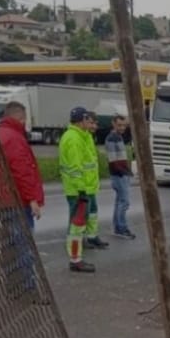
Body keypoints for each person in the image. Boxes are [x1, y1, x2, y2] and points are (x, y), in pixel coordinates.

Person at [0, 101, 45, 298]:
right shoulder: (15, 138)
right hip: (17, 200)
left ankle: (13, 285)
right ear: (21, 118)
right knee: (24, 244)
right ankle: (27, 287)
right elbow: (21, 171)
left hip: (2, 199)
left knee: (10, 244)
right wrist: (32, 198)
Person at [59, 107, 99, 273]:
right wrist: (82, 190)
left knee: (78, 226)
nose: (89, 123)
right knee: (76, 227)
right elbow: (76, 169)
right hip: (78, 190)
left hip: (78, 189)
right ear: (81, 120)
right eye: (87, 119)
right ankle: (76, 260)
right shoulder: (74, 139)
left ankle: (76, 258)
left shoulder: (77, 136)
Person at [81, 111, 109, 250]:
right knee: (82, 214)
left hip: (90, 184)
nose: (94, 126)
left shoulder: (89, 137)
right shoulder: (81, 138)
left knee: (93, 212)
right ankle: (81, 239)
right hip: (84, 184)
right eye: (91, 123)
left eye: (95, 123)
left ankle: (92, 236)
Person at [106, 115, 135, 239]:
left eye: (124, 125)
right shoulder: (113, 138)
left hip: (121, 173)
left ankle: (118, 227)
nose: (122, 127)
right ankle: (121, 228)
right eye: (119, 125)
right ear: (113, 124)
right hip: (119, 174)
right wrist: (125, 172)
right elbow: (114, 161)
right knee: (124, 202)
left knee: (120, 202)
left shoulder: (118, 137)